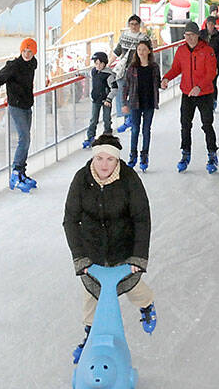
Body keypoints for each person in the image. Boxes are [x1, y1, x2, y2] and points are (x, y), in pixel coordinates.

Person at [62, 133, 155, 364]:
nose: (104, 164)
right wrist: (80, 258)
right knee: (91, 296)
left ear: (117, 161)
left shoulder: (129, 179)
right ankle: (89, 336)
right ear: (93, 158)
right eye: (100, 158)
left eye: (110, 159)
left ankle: (147, 306)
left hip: (123, 250)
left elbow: (142, 219)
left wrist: (137, 258)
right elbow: (70, 220)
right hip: (92, 252)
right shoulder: (81, 179)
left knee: (134, 289)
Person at [160, 21, 219, 174]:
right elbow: (176, 68)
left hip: (204, 94)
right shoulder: (181, 51)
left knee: (207, 125)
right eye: (187, 35)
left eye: (192, 35)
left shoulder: (207, 50)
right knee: (185, 125)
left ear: (198, 35)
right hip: (187, 93)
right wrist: (166, 78)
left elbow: (211, 72)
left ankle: (212, 154)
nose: (190, 38)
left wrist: (199, 87)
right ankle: (185, 153)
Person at [0, 38, 39, 191]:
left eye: (30, 51)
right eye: (24, 51)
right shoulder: (13, 66)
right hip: (16, 106)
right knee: (24, 138)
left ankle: (22, 173)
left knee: (26, 139)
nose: (27, 54)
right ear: (21, 51)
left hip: (27, 105)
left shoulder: (33, 63)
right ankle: (15, 173)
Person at [120, 40, 160, 172]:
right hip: (135, 103)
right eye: (139, 50)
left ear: (149, 51)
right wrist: (124, 103)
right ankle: (133, 155)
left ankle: (144, 155)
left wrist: (164, 83)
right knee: (135, 129)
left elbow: (157, 83)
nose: (141, 52)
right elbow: (125, 86)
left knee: (146, 129)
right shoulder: (132, 68)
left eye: (143, 49)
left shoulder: (154, 67)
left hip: (149, 102)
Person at [112, 14, 152, 131]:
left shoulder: (144, 38)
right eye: (132, 24)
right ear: (129, 25)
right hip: (124, 71)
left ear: (139, 25)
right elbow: (117, 51)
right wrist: (108, 64)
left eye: (136, 24)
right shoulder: (124, 36)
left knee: (135, 95)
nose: (134, 26)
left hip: (137, 71)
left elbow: (149, 54)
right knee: (121, 93)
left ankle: (133, 120)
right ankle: (127, 119)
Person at [82, 52, 116, 148]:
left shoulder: (108, 74)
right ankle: (90, 137)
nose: (97, 65)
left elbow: (114, 88)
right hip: (96, 100)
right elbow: (87, 74)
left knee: (106, 119)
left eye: (99, 63)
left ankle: (107, 136)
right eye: (96, 63)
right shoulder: (94, 72)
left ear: (104, 63)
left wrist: (108, 99)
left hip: (106, 101)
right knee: (93, 119)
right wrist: (77, 73)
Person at [203, 16, 219, 104]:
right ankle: (205, 100)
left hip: (214, 62)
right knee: (204, 82)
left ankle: (213, 100)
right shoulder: (201, 34)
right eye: (209, 24)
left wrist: (218, 65)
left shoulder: (218, 35)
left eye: (212, 24)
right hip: (203, 63)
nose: (210, 26)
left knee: (213, 83)